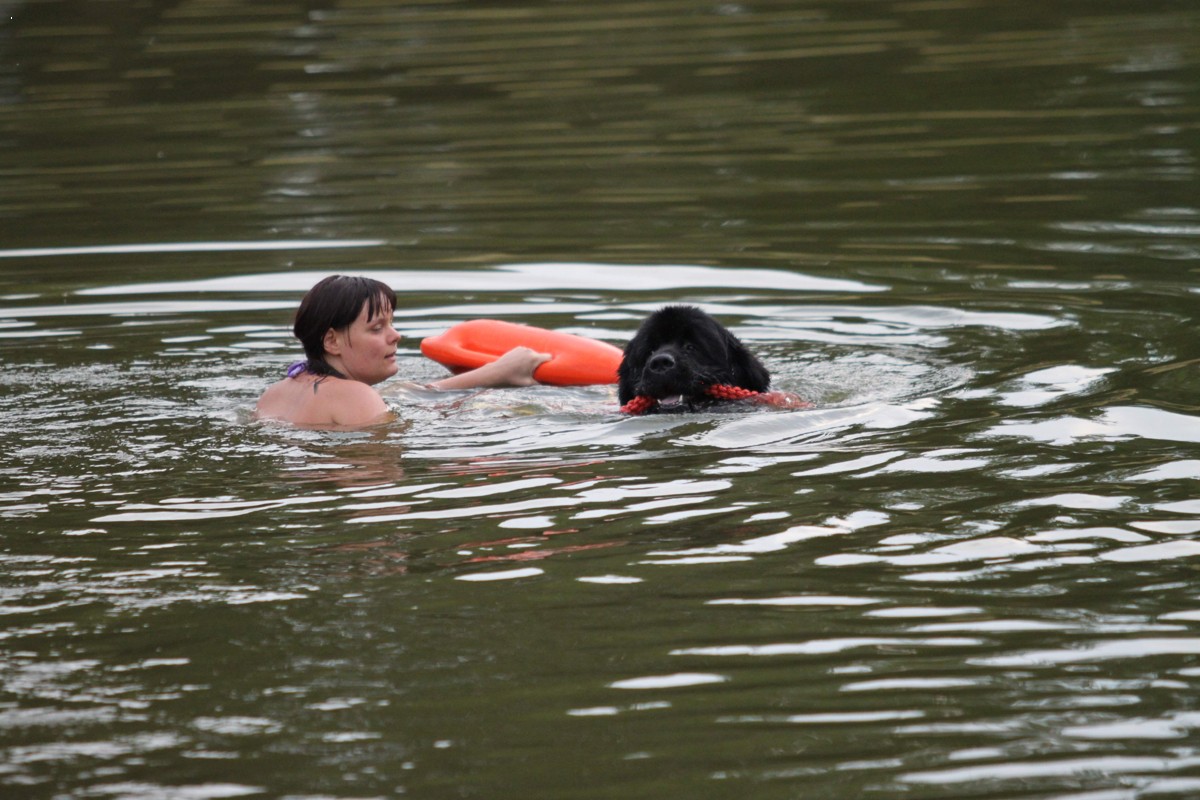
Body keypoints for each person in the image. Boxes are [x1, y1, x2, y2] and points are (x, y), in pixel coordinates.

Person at [255, 275, 550, 428]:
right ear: (332, 341)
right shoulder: (357, 396)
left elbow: (399, 396)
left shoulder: (276, 393)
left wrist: (491, 374)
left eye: (391, 324)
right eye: (376, 328)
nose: (396, 335)